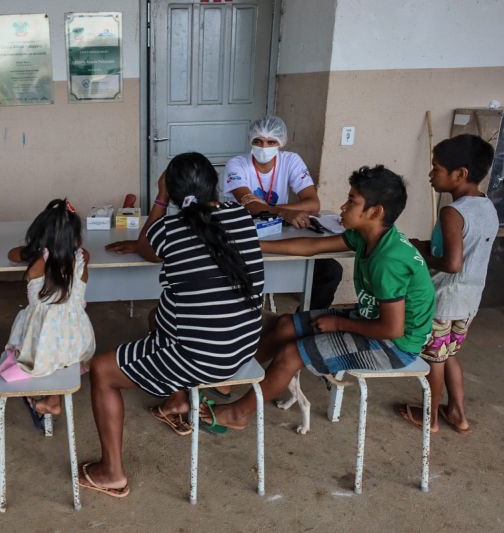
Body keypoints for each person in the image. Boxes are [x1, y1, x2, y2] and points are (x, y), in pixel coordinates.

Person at [81, 152, 264, 497]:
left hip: (204, 357)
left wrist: (161, 199)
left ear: (172, 191)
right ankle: (176, 402)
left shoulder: (170, 229)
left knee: (102, 371)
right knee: (156, 318)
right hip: (244, 345)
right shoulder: (241, 216)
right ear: (216, 185)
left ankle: (112, 473)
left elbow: (145, 246)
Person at [202, 166, 435, 432]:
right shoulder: (367, 236)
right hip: (371, 321)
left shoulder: (388, 261)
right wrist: (249, 244)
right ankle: (232, 378)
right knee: (286, 325)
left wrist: (338, 325)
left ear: (375, 211)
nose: (343, 206)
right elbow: (312, 246)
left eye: (352, 201)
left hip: (395, 345)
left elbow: (392, 329)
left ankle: (238, 414)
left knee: (291, 354)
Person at [396, 134, 497, 434]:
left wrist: (422, 255)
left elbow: (452, 263)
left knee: (433, 360)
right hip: (468, 301)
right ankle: (457, 413)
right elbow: (462, 248)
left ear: (460, 174)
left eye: (437, 168)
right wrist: (425, 245)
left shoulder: (453, 211)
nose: (430, 174)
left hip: (442, 299)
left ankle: (431, 417)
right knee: (448, 353)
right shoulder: (486, 206)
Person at [224, 115, 343, 310]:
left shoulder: (291, 161)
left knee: (330, 270)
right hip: (244, 233)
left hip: (281, 233)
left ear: (281, 142)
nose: (264, 147)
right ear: (250, 141)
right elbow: (247, 204)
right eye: (258, 141)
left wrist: (280, 212)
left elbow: (313, 204)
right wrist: (284, 213)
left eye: (271, 142)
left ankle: (303, 321)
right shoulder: (237, 164)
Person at [3, 198, 95, 422]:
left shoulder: (37, 261)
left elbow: (12, 254)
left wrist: (34, 248)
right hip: (76, 342)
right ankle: (53, 399)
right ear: (77, 238)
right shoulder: (83, 258)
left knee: (38, 334)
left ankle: (46, 398)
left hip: (42, 341)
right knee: (59, 345)